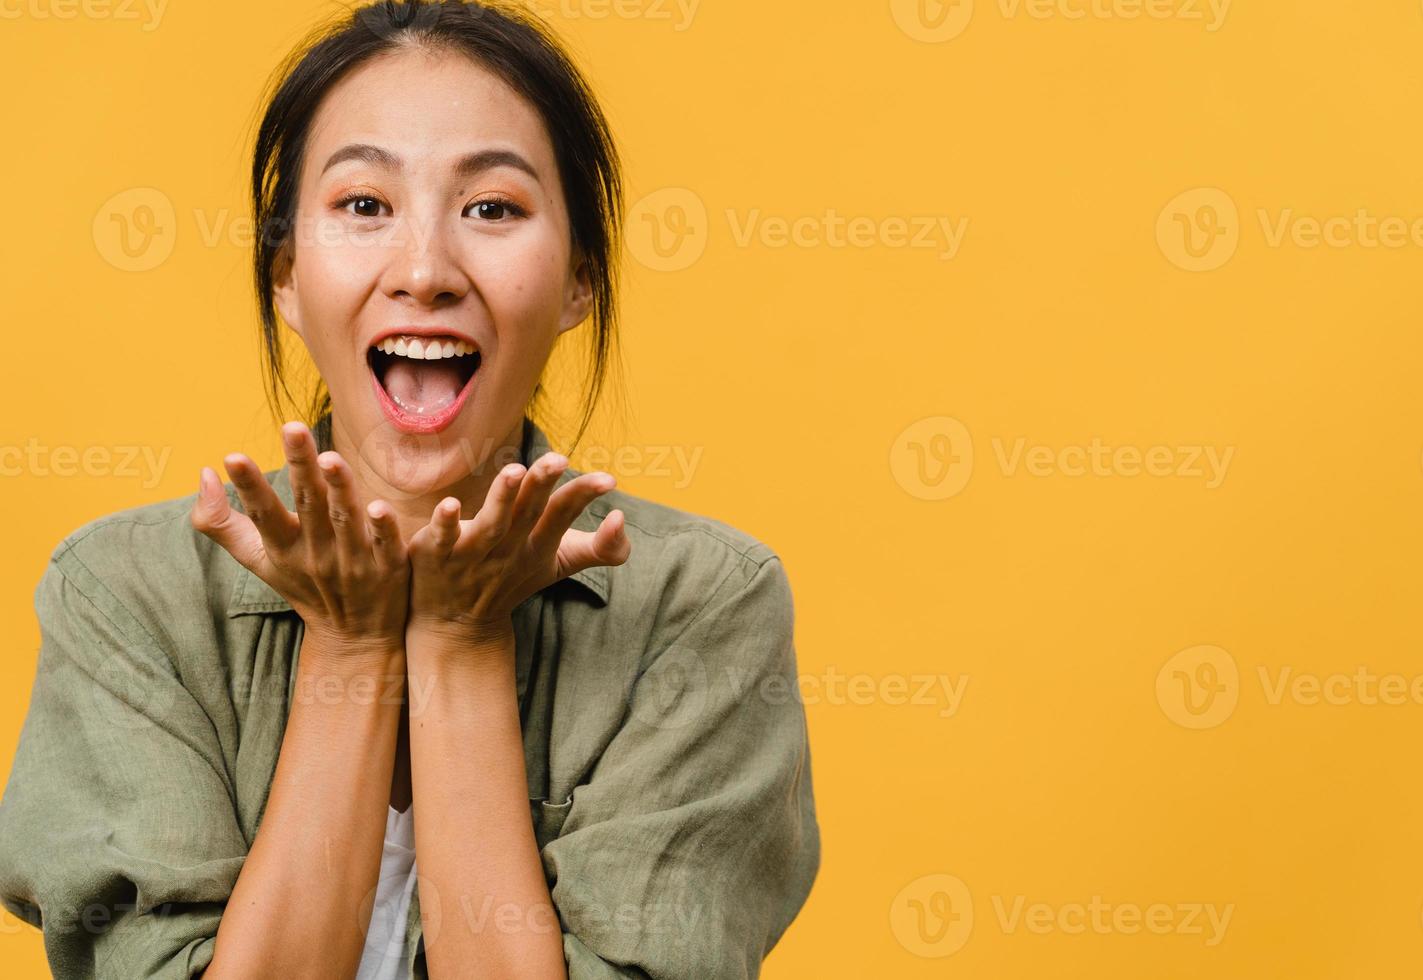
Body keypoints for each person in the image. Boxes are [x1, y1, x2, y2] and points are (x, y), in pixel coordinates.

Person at [0, 2, 820, 977]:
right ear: (288, 278)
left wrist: (459, 640)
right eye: (363, 204)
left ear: (578, 280)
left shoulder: (700, 605)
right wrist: (352, 644)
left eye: (493, 208)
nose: (425, 271)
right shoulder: (125, 592)